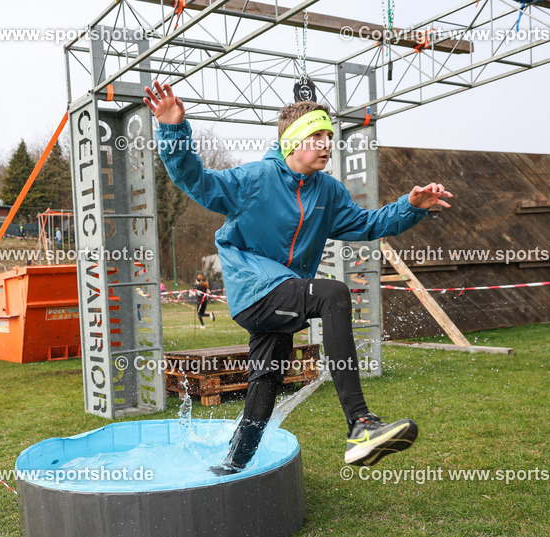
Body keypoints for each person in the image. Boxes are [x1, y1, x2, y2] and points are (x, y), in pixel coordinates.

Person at [146, 80, 452, 474]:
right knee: (333, 293)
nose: (326, 144)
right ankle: (360, 423)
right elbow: (196, 180)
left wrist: (410, 206)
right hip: (254, 290)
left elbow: (368, 223)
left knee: (267, 380)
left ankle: (232, 463)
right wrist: (173, 130)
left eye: (329, 136)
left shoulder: (328, 191)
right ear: (292, 141)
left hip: (285, 295)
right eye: (316, 136)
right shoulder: (254, 179)